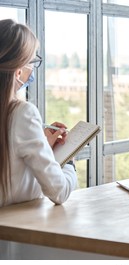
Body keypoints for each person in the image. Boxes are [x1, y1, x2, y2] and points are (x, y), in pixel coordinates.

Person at [0, 19, 77, 207]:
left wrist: (42, 145)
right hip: (17, 231)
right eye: (33, 61)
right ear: (18, 72)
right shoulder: (22, 113)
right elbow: (59, 191)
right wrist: (67, 160)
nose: (33, 68)